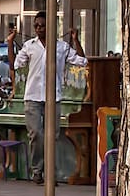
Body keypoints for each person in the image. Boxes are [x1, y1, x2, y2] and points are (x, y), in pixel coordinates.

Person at [13, 11, 86, 184]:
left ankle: (50, 173)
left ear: (50, 27)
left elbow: (82, 60)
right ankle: (37, 170)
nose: (38, 29)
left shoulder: (61, 47)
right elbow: (15, 64)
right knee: (36, 134)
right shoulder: (29, 45)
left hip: (53, 98)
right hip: (32, 97)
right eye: (36, 26)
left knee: (52, 135)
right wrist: (10, 43)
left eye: (42, 25)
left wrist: (76, 40)